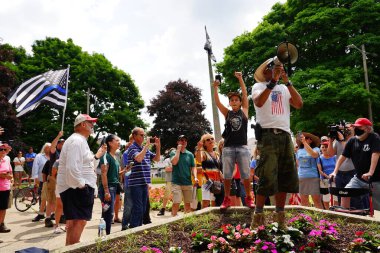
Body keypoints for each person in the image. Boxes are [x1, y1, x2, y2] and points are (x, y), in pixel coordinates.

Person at [251, 57, 303, 228]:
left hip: (285, 135)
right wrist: (273, 81)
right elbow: (259, 102)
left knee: (285, 177)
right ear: (265, 71)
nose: (276, 69)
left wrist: (287, 82)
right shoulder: (258, 86)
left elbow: (299, 104)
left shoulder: (284, 87)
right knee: (266, 176)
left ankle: (280, 217)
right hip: (267, 135)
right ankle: (258, 217)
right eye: (272, 67)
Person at [57, 114, 106, 245]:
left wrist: (97, 156)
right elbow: (72, 168)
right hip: (76, 188)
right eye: (90, 123)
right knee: (80, 221)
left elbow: (87, 165)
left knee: (74, 222)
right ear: (83, 124)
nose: (93, 125)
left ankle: (70, 247)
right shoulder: (77, 141)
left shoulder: (79, 140)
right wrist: (82, 185)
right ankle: (72, 248)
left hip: (75, 187)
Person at [213, 71, 255, 210]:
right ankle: (226, 199)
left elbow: (244, 93)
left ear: (240, 102)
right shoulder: (227, 113)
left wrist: (240, 79)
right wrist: (215, 88)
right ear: (230, 103)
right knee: (227, 175)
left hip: (242, 147)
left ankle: (249, 197)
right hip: (228, 147)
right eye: (232, 100)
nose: (234, 101)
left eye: (237, 99)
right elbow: (217, 102)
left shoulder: (244, 111)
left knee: (246, 175)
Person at [330, 118, 380, 211]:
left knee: (376, 207)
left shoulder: (374, 137)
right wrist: (334, 172)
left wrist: (370, 172)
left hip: (375, 179)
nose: (356, 129)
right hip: (358, 178)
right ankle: (345, 217)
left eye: (359, 127)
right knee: (345, 193)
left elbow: (376, 153)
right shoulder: (352, 141)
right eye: (355, 127)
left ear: (367, 128)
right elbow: (342, 157)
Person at [125, 127, 160, 228]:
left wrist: (158, 146)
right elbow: (139, 158)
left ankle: (138, 228)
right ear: (134, 136)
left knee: (143, 208)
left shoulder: (145, 149)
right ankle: (133, 228)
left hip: (144, 182)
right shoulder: (132, 148)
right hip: (136, 183)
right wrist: (147, 146)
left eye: (144, 135)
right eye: (141, 135)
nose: (144, 137)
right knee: (138, 208)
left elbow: (157, 159)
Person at [99, 134, 122, 235]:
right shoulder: (106, 156)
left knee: (108, 213)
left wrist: (125, 170)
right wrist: (106, 190)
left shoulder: (115, 157)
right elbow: (103, 174)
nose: (119, 142)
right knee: (108, 214)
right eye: (116, 140)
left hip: (114, 186)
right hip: (109, 188)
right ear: (110, 143)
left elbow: (114, 174)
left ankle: (104, 235)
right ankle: (105, 237)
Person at [170, 135, 197, 216]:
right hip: (176, 182)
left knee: (187, 205)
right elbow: (174, 162)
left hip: (187, 182)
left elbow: (193, 167)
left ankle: (186, 222)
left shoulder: (190, 154)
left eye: (185, 140)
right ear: (178, 142)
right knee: (176, 203)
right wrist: (178, 150)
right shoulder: (173, 152)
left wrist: (195, 177)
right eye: (181, 140)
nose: (184, 142)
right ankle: (173, 221)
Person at [296, 132, 323, 209]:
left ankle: (321, 219)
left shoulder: (316, 149)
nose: (304, 139)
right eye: (303, 138)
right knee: (304, 201)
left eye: (306, 138)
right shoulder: (299, 151)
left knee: (316, 200)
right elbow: (298, 164)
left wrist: (305, 143)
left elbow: (314, 155)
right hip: (301, 177)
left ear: (311, 140)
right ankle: (306, 219)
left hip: (313, 177)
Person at [195, 134, 223, 208]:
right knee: (206, 202)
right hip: (207, 181)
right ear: (204, 143)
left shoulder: (217, 154)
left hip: (216, 181)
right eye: (208, 140)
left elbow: (217, 168)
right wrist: (198, 149)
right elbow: (198, 160)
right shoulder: (203, 153)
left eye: (212, 138)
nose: (210, 140)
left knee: (214, 202)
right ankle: (204, 218)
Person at [31, 143, 51, 222]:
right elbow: (35, 167)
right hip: (42, 179)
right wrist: (35, 178)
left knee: (50, 198)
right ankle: (41, 213)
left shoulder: (54, 156)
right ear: (44, 148)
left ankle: (48, 213)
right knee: (42, 197)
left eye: (51, 147)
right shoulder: (39, 156)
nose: (49, 149)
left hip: (52, 180)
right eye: (48, 147)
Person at [317, 141, 337, 209]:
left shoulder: (334, 157)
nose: (324, 148)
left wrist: (333, 176)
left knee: (336, 197)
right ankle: (327, 212)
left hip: (334, 179)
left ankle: (336, 211)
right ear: (321, 149)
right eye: (323, 147)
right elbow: (320, 170)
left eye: (326, 147)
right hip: (324, 180)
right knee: (326, 198)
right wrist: (328, 177)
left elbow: (337, 167)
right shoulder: (319, 158)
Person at [157, 148, 175, 216]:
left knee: (176, 196)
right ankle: (163, 209)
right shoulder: (167, 160)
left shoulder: (178, 159)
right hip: (169, 180)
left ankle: (174, 210)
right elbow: (167, 169)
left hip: (177, 180)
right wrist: (176, 167)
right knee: (167, 195)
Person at [0, 143, 13, 235]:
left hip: (5, 187)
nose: (3, 151)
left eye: (5, 149)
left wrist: (10, 177)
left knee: (3, 208)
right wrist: (3, 175)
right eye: (1, 149)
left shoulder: (7, 159)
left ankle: (1, 224)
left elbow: (10, 171)